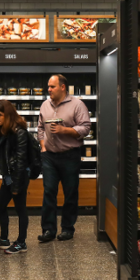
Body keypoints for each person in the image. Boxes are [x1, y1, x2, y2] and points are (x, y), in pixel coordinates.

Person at [37, 74, 91, 242]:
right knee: (49, 192)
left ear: (62, 87)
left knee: (70, 193)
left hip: (70, 156)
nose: (49, 89)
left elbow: (86, 128)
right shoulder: (45, 105)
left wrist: (64, 130)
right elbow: (40, 127)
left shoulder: (77, 104)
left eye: (52, 86)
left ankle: (67, 228)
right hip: (49, 157)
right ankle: (48, 230)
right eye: (48, 86)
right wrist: (43, 147)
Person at [0, 100, 30, 254]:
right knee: (0, 205)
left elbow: (20, 161)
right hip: (7, 177)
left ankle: (21, 242)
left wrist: (17, 185)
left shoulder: (19, 132)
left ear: (8, 114)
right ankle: (4, 239)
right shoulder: (1, 131)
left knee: (20, 209)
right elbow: (4, 155)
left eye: (0, 115)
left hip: (18, 176)